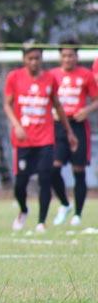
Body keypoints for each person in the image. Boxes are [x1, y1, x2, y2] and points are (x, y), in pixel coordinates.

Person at [3, 45, 77, 233]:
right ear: (24, 59)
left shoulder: (50, 78)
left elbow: (58, 105)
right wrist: (17, 126)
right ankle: (23, 210)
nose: (34, 62)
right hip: (23, 140)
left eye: (37, 58)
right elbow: (7, 105)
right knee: (21, 183)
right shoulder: (14, 77)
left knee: (46, 177)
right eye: (30, 58)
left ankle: (41, 222)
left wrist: (69, 132)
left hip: (45, 138)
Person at [48, 39, 98, 226]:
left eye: (71, 55)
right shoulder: (52, 75)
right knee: (53, 168)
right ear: (60, 57)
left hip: (78, 126)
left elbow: (96, 99)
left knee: (79, 170)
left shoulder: (85, 75)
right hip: (58, 126)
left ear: (76, 56)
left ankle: (77, 214)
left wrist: (86, 110)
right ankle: (64, 203)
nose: (68, 59)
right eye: (65, 55)